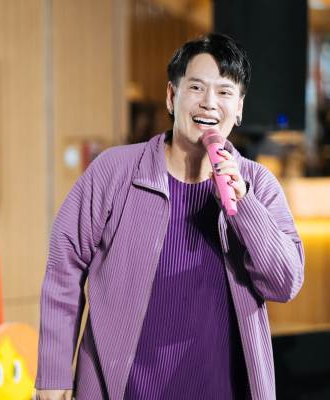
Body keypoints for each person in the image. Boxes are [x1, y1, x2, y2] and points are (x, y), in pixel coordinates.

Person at [34, 33, 304, 400]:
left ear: (239, 108)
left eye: (224, 92)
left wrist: (245, 206)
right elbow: (64, 264)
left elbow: (284, 283)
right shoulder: (115, 171)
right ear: (171, 96)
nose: (209, 102)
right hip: (123, 390)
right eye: (196, 87)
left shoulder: (258, 184)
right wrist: (53, 371)